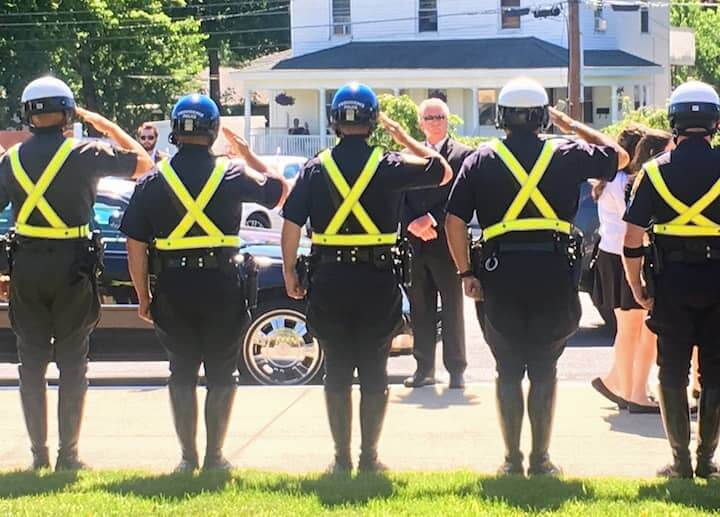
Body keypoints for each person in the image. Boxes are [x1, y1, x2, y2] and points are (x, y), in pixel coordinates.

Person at [445, 78, 628, 476]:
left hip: (498, 275)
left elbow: (454, 220)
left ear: (501, 117)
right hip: (553, 274)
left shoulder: (480, 159)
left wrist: (465, 272)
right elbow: (621, 156)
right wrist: (572, 126)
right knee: (545, 368)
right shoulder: (567, 153)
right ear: (544, 115)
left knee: (507, 369)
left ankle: (512, 461)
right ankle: (541, 461)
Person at [280, 82, 452, 474]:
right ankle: (369, 458)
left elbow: (290, 226)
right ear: (373, 121)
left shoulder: (315, 166)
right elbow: (442, 171)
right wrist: (403, 135)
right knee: (375, 370)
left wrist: (290, 269)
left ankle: (341, 460)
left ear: (335, 121)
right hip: (377, 280)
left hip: (329, 278)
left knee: (336, 369)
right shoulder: (388, 164)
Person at [120, 94, 288, 472]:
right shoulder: (232, 173)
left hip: (174, 286)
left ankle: (187, 458)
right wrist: (246, 154)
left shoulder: (151, 182)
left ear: (175, 132)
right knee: (222, 371)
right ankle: (214, 458)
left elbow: (135, 247)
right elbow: (281, 192)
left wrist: (143, 297)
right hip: (222, 285)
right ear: (213, 131)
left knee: (180, 370)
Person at [0, 76, 153, 470]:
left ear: (27, 115)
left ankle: (39, 457)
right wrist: (106, 125)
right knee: (73, 362)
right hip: (73, 267)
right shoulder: (86, 152)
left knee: (30, 364)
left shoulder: (10, 160)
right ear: (67, 113)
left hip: (27, 267)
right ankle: (69, 457)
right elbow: (144, 164)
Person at [623, 80, 720, 480]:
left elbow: (631, 237)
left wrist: (636, 286)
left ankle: (680, 462)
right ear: (715, 123)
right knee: (716, 371)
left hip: (671, 281)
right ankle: (707, 461)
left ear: (673, 122)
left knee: (671, 370)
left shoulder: (652, 173)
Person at [591, 128, 673, 414]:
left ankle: (621, 385)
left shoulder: (610, 180)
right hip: (623, 257)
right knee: (635, 330)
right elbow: (635, 228)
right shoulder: (626, 182)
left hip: (610, 255)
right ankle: (634, 392)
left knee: (630, 330)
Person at [403, 98, 473, 389]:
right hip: (416, 244)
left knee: (453, 307)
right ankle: (424, 368)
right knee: (420, 308)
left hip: (447, 242)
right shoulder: (406, 156)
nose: (435, 122)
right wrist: (412, 223)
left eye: (440, 117)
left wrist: (431, 218)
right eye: (429, 118)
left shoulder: (462, 155)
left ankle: (456, 369)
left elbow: (462, 197)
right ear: (420, 123)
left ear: (448, 120)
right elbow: (397, 195)